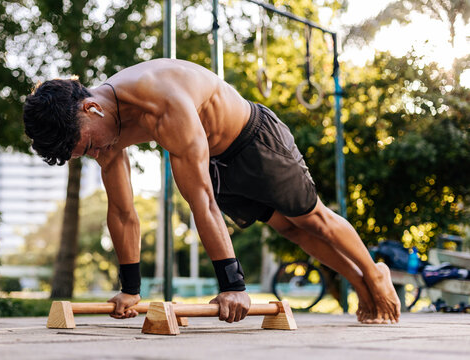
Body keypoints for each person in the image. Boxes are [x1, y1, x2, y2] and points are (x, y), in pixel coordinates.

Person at [23, 58, 400, 324]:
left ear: (92, 109)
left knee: (311, 218)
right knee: (290, 230)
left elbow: (200, 197)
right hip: (217, 161)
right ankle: (357, 280)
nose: (95, 154)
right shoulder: (105, 132)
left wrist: (233, 287)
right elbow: (123, 213)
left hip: (254, 140)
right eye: (84, 153)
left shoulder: (160, 101)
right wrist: (130, 289)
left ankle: (374, 272)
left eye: (88, 146)